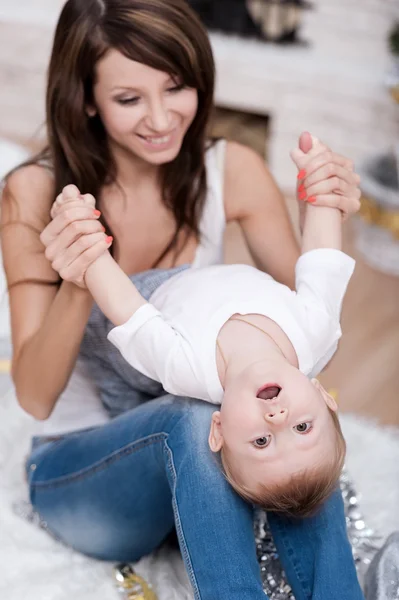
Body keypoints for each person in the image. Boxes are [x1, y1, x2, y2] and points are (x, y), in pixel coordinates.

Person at [0, 0, 364, 598]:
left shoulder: (230, 171)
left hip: (206, 481)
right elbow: (36, 398)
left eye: (177, 88)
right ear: (87, 99)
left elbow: (304, 347)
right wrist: (79, 276)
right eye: (128, 99)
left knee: (302, 423)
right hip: (82, 476)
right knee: (199, 418)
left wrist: (323, 208)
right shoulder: (36, 191)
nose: (162, 118)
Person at [50, 135, 353, 519]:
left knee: (139, 417)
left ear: (219, 430)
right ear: (325, 399)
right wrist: (320, 181)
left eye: (262, 441)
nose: (278, 419)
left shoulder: (186, 369)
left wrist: (85, 240)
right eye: (303, 428)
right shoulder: (318, 333)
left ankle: (174, 510)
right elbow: (323, 261)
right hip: (186, 281)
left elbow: (125, 309)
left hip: (122, 340)